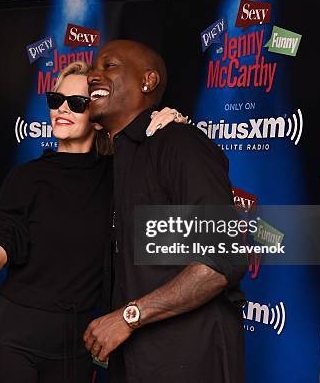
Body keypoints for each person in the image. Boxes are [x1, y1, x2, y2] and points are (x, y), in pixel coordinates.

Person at [0, 60, 185, 383]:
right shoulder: (26, 178)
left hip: (77, 346)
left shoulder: (118, 176)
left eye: (78, 103)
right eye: (56, 100)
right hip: (14, 341)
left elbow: (166, 187)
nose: (63, 109)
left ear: (97, 116)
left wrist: (170, 130)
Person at [83, 40, 247, 383]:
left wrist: (128, 316)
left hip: (188, 358)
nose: (93, 75)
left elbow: (222, 259)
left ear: (148, 81)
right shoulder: (122, 155)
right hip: (136, 358)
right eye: (93, 68)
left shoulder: (178, 143)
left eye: (108, 66)